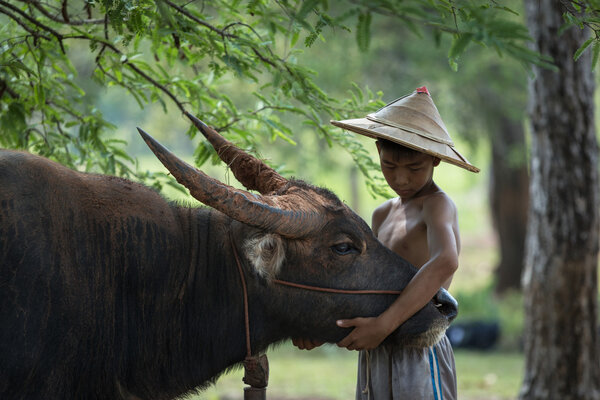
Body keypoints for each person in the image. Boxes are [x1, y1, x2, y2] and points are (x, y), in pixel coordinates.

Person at [294, 86, 479, 400]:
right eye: (390, 167)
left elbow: (446, 261)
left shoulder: (437, 206)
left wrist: (384, 324)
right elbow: (361, 282)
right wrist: (322, 327)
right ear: (378, 151)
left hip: (418, 346)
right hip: (377, 349)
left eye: (414, 168)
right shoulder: (382, 214)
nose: (402, 179)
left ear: (435, 160)